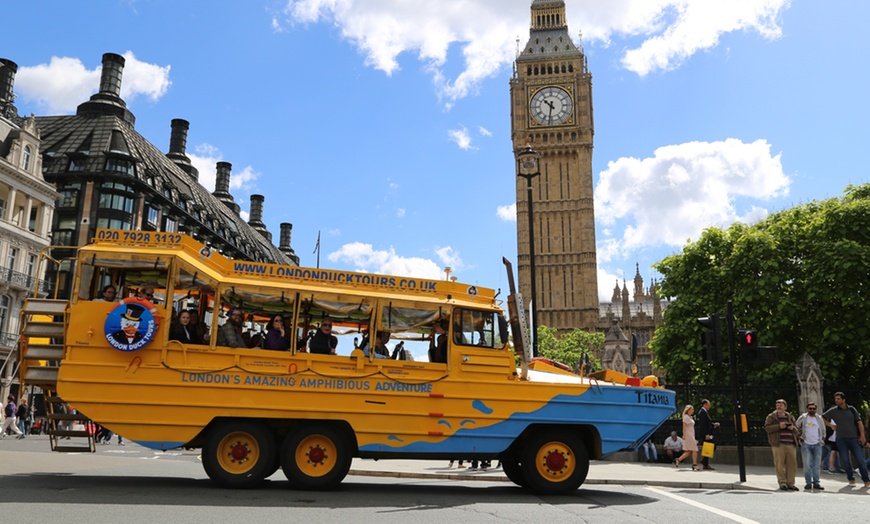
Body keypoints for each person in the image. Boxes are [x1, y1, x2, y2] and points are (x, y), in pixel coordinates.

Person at [822, 391, 870, 487]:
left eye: (838, 399)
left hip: (853, 438)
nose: (836, 400)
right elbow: (822, 417)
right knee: (845, 460)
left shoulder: (852, 409)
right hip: (841, 439)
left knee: (860, 459)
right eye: (835, 399)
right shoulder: (833, 411)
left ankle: (866, 480)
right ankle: (851, 479)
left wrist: (862, 435)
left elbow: (859, 422)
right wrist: (831, 425)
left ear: (844, 400)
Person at [764, 398, 800, 491]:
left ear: (785, 407)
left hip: (791, 443)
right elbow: (767, 428)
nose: (779, 406)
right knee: (779, 464)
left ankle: (791, 483)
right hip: (778, 443)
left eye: (781, 405)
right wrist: (779, 426)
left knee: (792, 464)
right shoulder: (771, 416)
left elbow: (796, 429)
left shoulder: (790, 416)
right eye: (777, 405)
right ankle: (782, 482)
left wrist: (792, 428)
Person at [796, 401, 826, 490]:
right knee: (807, 464)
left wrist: (822, 439)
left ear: (816, 409)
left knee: (817, 465)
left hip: (817, 444)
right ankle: (808, 482)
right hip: (806, 444)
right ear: (807, 409)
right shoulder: (803, 417)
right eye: (810, 408)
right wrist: (799, 436)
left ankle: (816, 482)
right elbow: (796, 427)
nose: (812, 410)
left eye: (814, 408)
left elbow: (823, 430)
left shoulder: (819, 418)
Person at [696, 399, 719, 470]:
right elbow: (703, 425)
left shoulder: (704, 412)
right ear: (705, 404)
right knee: (712, 446)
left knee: (709, 447)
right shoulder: (702, 412)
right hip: (705, 434)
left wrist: (713, 424)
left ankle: (705, 463)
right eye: (708, 404)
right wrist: (706, 434)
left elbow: (707, 423)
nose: (709, 406)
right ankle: (704, 461)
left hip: (707, 433)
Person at [674, 404, 698, 470]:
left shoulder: (690, 417)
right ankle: (695, 464)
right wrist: (684, 435)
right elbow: (684, 427)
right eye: (692, 409)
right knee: (695, 449)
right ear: (688, 410)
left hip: (691, 434)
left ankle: (678, 459)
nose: (693, 410)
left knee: (689, 451)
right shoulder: (686, 417)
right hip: (688, 435)